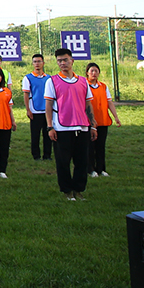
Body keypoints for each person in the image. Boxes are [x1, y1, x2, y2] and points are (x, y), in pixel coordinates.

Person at [44, 48, 97, 202]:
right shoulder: (52, 81)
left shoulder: (82, 81)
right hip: (62, 127)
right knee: (63, 162)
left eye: (65, 60)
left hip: (82, 126)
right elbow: (48, 105)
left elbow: (88, 103)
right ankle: (67, 190)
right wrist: (50, 126)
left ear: (72, 61)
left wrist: (92, 125)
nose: (62, 63)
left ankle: (79, 190)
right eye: (59, 61)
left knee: (82, 161)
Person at [85, 62, 121, 177]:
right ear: (87, 73)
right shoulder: (84, 85)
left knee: (101, 146)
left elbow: (109, 102)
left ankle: (101, 169)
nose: (94, 73)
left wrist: (115, 117)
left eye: (96, 71)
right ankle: (91, 169)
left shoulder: (103, 86)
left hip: (103, 120)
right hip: (90, 121)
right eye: (92, 71)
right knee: (90, 146)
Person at [22, 54, 52, 161]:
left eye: (39, 61)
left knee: (48, 134)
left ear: (43, 63)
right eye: (35, 61)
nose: (37, 64)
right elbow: (26, 94)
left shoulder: (49, 78)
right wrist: (28, 110)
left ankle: (47, 155)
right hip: (35, 110)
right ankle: (36, 155)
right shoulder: (28, 78)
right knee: (35, 135)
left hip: (47, 111)